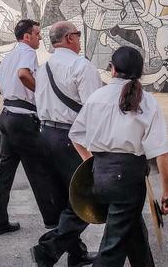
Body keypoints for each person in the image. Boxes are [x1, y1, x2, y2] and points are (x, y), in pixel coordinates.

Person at [69, 46, 168, 267]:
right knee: (112, 248)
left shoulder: (97, 96)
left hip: (99, 175)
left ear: (113, 69)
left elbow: (76, 136)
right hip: (129, 179)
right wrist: (166, 192)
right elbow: (161, 152)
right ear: (140, 72)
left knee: (132, 231)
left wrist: (91, 162)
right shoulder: (147, 101)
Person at [29, 21, 103, 267]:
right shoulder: (82, 67)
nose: (80, 39)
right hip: (72, 139)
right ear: (70, 38)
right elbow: (94, 110)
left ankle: (77, 253)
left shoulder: (44, 67)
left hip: (45, 135)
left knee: (63, 198)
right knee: (86, 198)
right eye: (79, 35)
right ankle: (48, 249)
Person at [0, 19, 60, 236]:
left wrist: (12, 97)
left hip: (7, 116)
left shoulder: (9, 55)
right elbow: (23, 74)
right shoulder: (28, 52)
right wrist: (40, 95)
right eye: (37, 34)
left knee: (5, 171)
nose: (39, 37)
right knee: (39, 171)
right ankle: (53, 223)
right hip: (22, 120)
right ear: (27, 37)